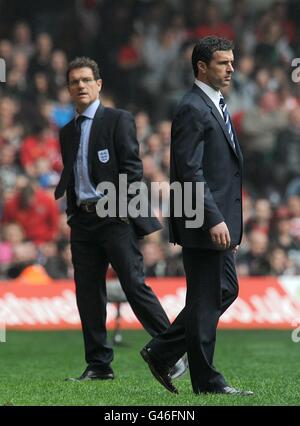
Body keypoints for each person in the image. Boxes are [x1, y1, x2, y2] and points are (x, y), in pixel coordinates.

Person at [54, 57, 186, 381]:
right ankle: (99, 365)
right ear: (69, 89)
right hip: (83, 219)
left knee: (133, 284)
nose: (81, 86)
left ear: (99, 84)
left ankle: (172, 351)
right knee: (87, 292)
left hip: (113, 215)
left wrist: (122, 209)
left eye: (86, 80)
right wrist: (72, 211)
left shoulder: (118, 119)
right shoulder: (66, 131)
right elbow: (75, 174)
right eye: (74, 82)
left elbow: (132, 168)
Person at [140, 36, 253, 396]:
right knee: (207, 299)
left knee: (224, 290)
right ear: (202, 67)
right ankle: (205, 381)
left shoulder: (215, 103)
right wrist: (214, 219)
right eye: (223, 62)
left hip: (216, 219)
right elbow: (189, 171)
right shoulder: (192, 107)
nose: (231, 68)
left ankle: (161, 350)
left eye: (232, 62)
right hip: (203, 220)